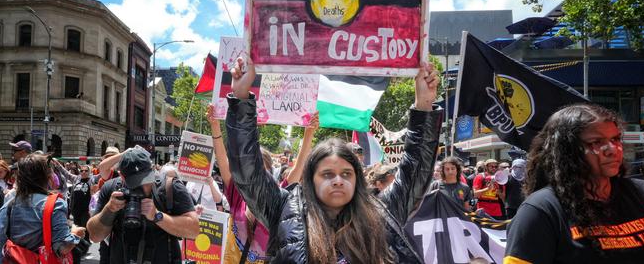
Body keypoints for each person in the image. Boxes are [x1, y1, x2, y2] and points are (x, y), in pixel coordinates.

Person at [225, 57, 441, 263]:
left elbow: (416, 172)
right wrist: (242, 97)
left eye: (346, 174)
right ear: (311, 179)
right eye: (327, 174)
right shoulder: (284, 210)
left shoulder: (381, 212)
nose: (338, 180)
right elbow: (248, 172)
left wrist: (424, 105)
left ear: (357, 179)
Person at [504, 104, 644, 263]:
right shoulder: (540, 211)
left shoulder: (643, 193)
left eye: (615, 139)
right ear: (567, 150)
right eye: (596, 142)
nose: (612, 149)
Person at [206, 105, 318, 263]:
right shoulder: (236, 193)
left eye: (259, 173)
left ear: (269, 176)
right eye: (248, 172)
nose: (252, 178)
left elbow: (299, 166)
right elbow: (223, 160)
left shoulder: (279, 200)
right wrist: (215, 126)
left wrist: (309, 133)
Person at [86, 147, 199, 263]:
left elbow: (194, 230)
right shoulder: (112, 189)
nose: (141, 188)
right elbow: (94, 236)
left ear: (152, 171)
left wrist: (158, 216)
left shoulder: (170, 188)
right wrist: (109, 210)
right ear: (122, 176)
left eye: (145, 181)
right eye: (135, 183)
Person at [0, 153, 85, 262]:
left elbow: (0, 242)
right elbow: (62, 248)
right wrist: (75, 234)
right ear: (47, 177)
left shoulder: (9, 205)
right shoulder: (56, 203)